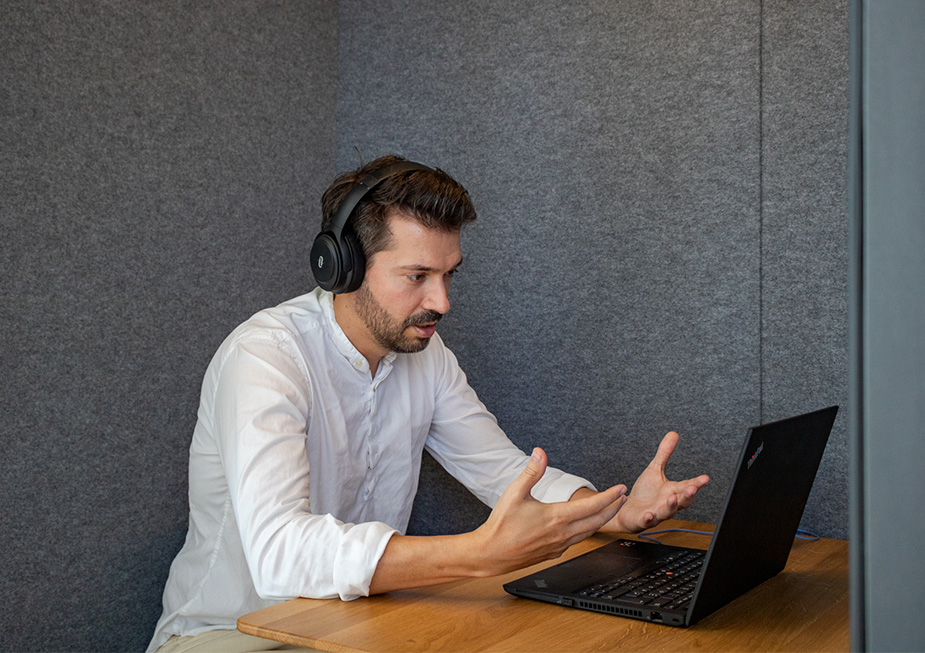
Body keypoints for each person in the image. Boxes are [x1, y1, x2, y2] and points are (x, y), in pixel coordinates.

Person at [148, 155, 709, 652]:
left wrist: (614, 512)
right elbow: (279, 553)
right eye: (416, 276)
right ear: (341, 267)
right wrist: (478, 555)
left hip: (345, 629)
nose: (440, 301)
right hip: (228, 634)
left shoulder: (426, 354)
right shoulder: (265, 357)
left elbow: (506, 474)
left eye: (447, 275)